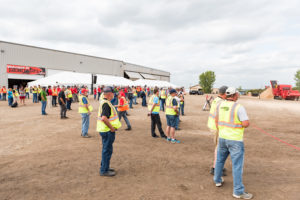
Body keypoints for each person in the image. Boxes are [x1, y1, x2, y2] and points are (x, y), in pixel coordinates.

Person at [214, 87, 252, 199]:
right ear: (234, 95)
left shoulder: (219, 105)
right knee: (237, 166)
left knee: (220, 160)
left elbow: (216, 121)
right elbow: (245, 123)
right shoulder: (238, 107)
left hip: (222, 138)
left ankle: (217, 180)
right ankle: (238, 191)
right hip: (235, 140)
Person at [97, 86, 122, 177]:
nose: (114, 95)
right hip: (107, 131)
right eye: (113, 93)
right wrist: (112, 128)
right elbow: (104, 118)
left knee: (106, 149)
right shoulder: (106, 104)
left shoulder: (104, 102)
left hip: (104, 130)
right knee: (107, 150)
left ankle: (105, 167)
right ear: (109, 94)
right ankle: (104, 170)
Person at [207, 86, 228, 176]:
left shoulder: (216, 100)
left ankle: (218, 166)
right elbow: (219, 116)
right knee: (219, 148)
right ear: (225, 94)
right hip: (217, 128)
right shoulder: (221, 102)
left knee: (218, 147)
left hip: (213, 126)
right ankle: (215, 168)